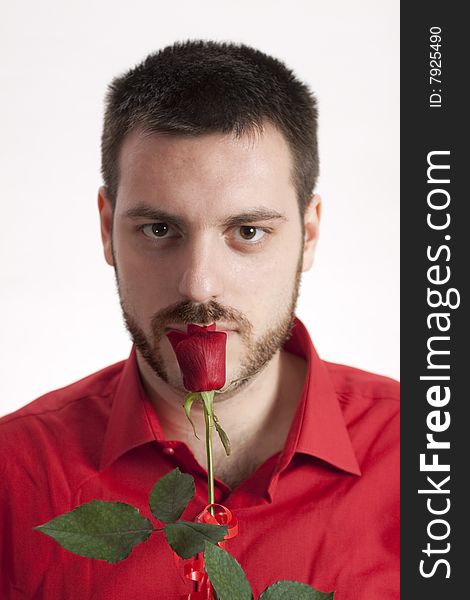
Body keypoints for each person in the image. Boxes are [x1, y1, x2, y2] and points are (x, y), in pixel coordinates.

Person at [0, 40, 399, 599]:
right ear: (107, 227)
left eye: (248, 232)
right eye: (160, 230)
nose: (199, 285)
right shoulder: (13, 475)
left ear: (308, 233)